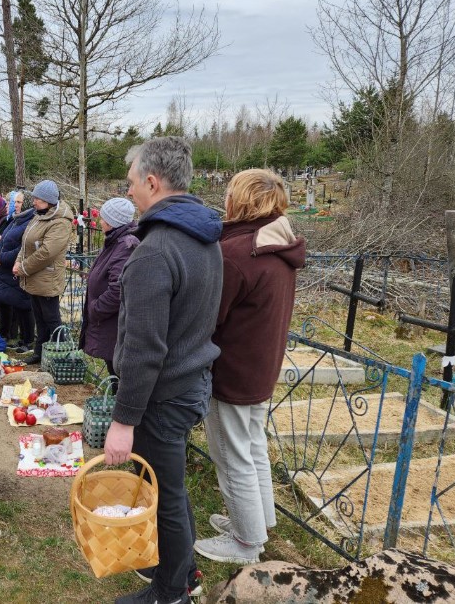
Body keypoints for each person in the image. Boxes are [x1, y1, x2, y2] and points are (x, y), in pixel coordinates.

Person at [104, 137, 223, 604]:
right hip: (189, 383)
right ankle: (181, 569)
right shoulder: (203, 237)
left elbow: (144, 349)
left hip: (163, 394)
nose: (129, 191)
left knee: (165, 493)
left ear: (152, 182)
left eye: (131, 182)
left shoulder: (155, 251)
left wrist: (123, 421)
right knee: (170, 486)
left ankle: (172, 591)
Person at [194, 169, 305, 565]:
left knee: (231, 455)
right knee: (253, 447)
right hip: (261, 364)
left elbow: (210, 316)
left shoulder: (238, 254)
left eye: (229, 193)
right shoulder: (277, 244)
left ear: (240, 200)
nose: (224, 200)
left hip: (235, 368)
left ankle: (245, 542)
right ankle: (259, 522)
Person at [78, 197, 139, 389]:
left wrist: (96, 308)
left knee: (118, 373)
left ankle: (117, 404)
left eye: (103, 218)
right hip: (108, 322)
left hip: (113, 322)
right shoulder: (115, 241)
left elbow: (118, 288)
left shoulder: (124, 246)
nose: (100, 221)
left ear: (113, 222)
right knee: (114, 370)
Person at [13, 180, 74, 365]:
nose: (33, 202)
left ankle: (65, 358)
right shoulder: (40, 215)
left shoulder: (60, 222)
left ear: (48, 201)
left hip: (47, 277)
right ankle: (40, 353)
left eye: (37, 199)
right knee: (40, 319)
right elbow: (26, 244)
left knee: (52, 320)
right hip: (34, 276)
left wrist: (23, 268)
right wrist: (18, 261)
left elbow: (47, 252)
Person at [0, 192, 35, 353]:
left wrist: (2, 258)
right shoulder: (16, 220)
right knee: (11, 302)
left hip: (16, 268)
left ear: (27, 203)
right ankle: (17, 337)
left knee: (23, 305)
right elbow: (3, 240)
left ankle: (28, 341)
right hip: (5, 268)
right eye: (15, 201)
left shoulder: (30, 222)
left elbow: (23, 249)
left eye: (19, 202)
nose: (15, 205)